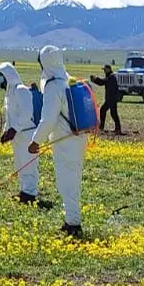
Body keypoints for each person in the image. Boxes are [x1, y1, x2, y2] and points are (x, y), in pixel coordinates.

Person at [30, 45, 88, 237]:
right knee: (73, 179)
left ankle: (73, 224)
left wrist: (35, 141)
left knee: (66, 182)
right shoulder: (67, 79)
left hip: (65, 142)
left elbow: (48, 119)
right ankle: (71, 219)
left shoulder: (53, 85)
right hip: (77, 139)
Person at [0, 61, 51, 207]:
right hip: (17, 135)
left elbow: (26, 113)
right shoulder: (9, 93)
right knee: (20, 163)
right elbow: (10, 116)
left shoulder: (21, 90)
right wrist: (6, 132)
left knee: (29, 164)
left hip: (27, 134)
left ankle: (30, 194)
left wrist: (14, 129)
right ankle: (23, 191)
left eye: (0, 76)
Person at [90, 65, 123, 135]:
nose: (104, 71)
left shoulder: (111, 77)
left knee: (113, 113)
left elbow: (103, 82)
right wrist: (95, 80)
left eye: (105, 69)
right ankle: (104, 127)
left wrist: (95, 79)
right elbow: (102, 82)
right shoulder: (110, 76)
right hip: (110, 99)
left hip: (112, 99)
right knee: (104, 111)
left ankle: (118, 129)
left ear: (108, 69)